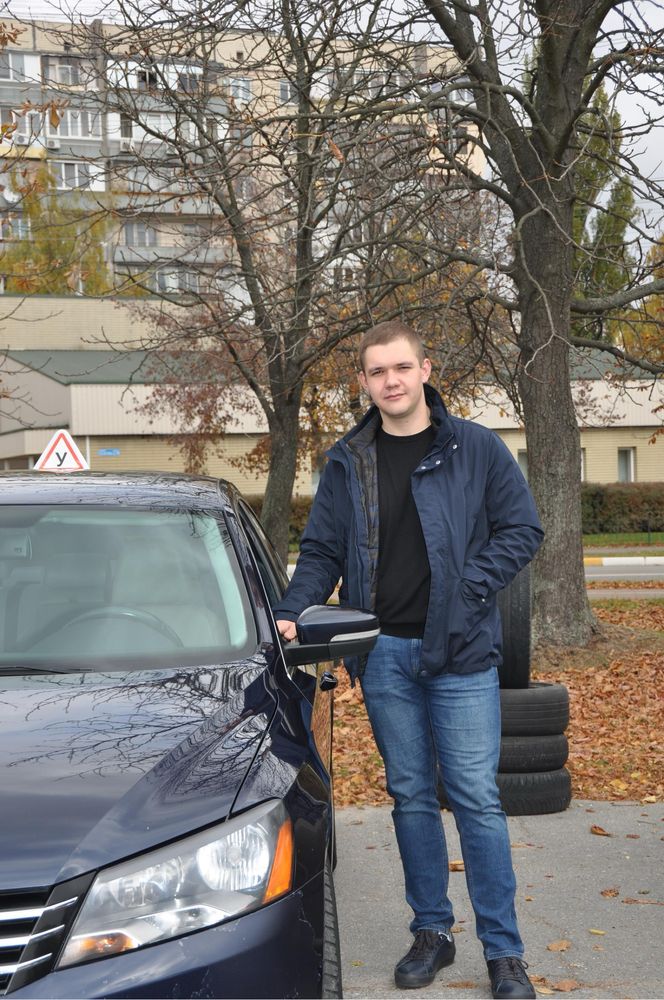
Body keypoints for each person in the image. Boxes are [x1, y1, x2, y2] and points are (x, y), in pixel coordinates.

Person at [274, 320, 543, 999]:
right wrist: (295, 609)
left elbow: (523, 529)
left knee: (478, 800)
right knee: (411, 796)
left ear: (426, 370)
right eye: (376, 372)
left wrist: (473, 588)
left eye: (401, 368)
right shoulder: (348, 460)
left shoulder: (475, 448)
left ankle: (504, 953)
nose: (390, 381)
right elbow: (324, 552)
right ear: (363, 382)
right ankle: (431, 932)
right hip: (385, 654)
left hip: (462, 652)